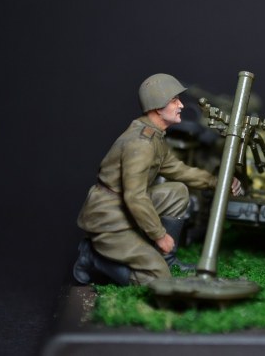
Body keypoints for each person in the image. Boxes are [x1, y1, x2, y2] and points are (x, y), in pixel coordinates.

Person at [73, 73, 242, 286]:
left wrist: (216, 181)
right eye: (174, 101)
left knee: (178, 192)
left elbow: (178, 170)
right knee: (159, 279)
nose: (181, 105)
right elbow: (135, 197)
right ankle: (94, 257)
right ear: (157, 107)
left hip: (124, 207)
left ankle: (167, 259)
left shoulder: (155, 137)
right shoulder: (142, 144)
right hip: (108, 220)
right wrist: (159, 235)